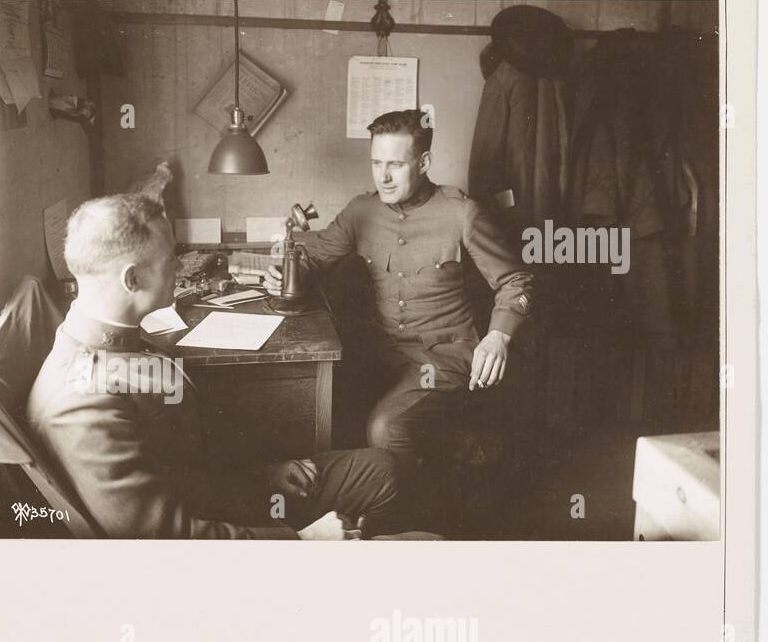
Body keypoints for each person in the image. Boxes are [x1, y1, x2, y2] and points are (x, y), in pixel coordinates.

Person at [27, 192, 406, 540]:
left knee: (383, 471)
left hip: (222, 493)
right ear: (133, 278)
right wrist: (303, 541)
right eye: (170, 258)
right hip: (213, 535)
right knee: (385, 484)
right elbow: (163, 538)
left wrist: (265, 473)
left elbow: (182, 459)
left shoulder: (116, 338)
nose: (180, 265)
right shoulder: (80, 403)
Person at [263, 108, 535, 474]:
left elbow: (515, 281)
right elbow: (317, 254)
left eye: (396, 164)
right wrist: (285, 273)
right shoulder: (361, 211)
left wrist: (498, 337)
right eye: (377, 163)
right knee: (307, 406)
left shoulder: (462, 214)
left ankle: (405, 517)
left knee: (384, 429)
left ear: (423, 163)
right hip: (382, 352)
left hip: (445, 355)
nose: (384, 177)